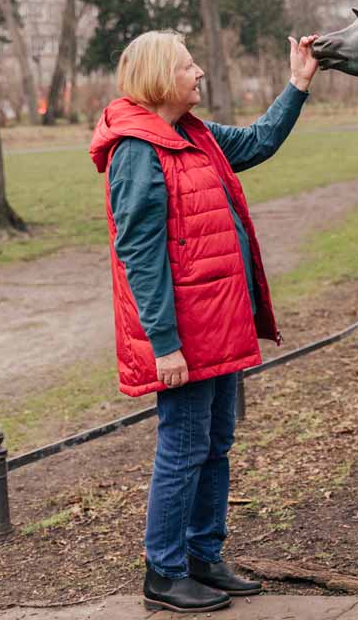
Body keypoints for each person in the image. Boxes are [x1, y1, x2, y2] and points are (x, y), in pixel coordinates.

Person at [88, 30, 319, 613]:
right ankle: (163, 573)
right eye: (189, 67)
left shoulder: (192, 134)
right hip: (183, 336)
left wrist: (298, 84)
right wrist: (165, 345)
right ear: (162, 79)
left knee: (215, 443)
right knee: (184, 447)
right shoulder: (136, 150)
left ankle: (202, 556)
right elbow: (139, 257)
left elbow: (260, 141)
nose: (199, 75)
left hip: (219, 323)